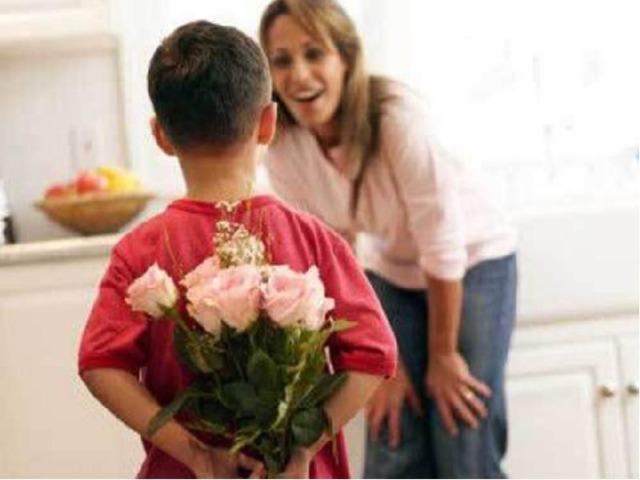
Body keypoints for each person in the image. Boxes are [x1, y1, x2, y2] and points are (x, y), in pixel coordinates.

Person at [77, 20, 397, 479]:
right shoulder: (314, 238)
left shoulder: (140, 250)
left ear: (161, 135)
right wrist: (302, 449)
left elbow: (100, 365)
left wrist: (195, 453)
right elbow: (375, 355)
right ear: (268, 123)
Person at [258, 0, 518, 478]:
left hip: (472, 259)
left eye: (314, 53)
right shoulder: (282, 146)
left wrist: (443, 355)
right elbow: (331, 260)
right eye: (282, 60)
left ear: (346, 57)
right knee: (393, 431)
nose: (299, 75)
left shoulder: (396, 119)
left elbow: (442, 242)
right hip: (392, 268)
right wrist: (384, 370)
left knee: (461, 433)